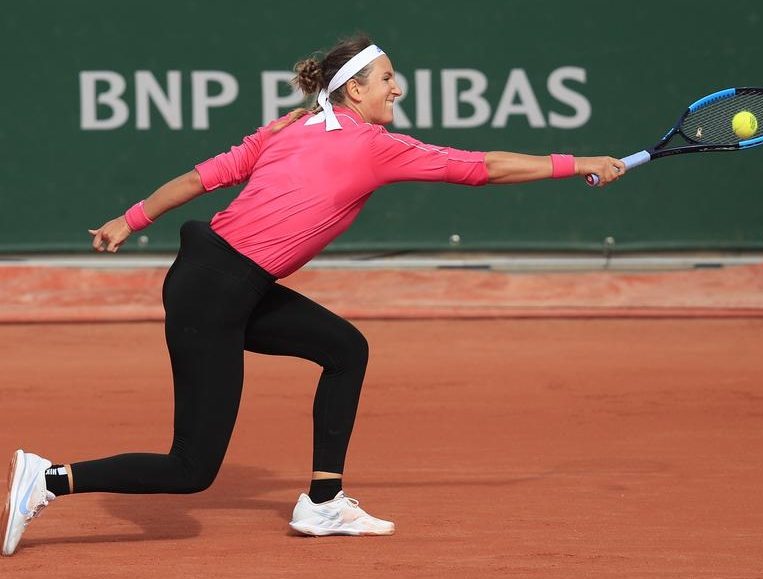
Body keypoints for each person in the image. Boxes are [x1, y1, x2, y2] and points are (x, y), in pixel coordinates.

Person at [1, 34, 625, 555]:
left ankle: (324, 501)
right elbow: (482, 168)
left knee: (344, 349)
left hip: (218, 280)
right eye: (388, 79)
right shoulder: (370, 144)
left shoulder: (290, 127)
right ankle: (49, 479)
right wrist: (578, 162)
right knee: (191, 469)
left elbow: (197, 178)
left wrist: (129, 219)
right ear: (354, 90)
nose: (397, 89)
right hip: (216, 294)